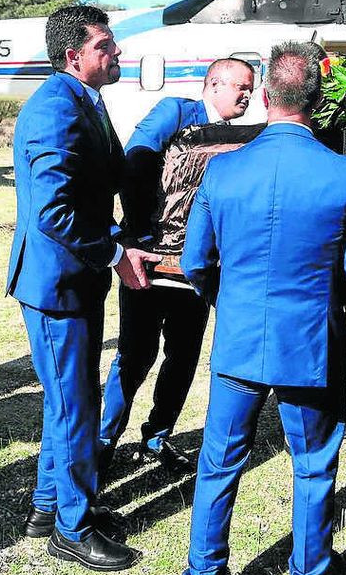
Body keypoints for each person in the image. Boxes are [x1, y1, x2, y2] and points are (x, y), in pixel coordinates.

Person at [179, 41, 346, 575]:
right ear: (317, 104)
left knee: (219, 464)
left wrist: (229, 300)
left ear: (265, 97)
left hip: (241, 336)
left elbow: (197, 261)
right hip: (309, 342)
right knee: (313, 464)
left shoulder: (223, 169)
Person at [6, 5, 157, 572]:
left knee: (71, 400)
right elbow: (54, 213)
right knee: (75, 406)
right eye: (106, 47)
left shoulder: (84, 101)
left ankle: (50, 505)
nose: (116, 55)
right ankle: (73, 526)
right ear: (74, 56)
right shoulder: (54, 110)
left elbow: (97, 190)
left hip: (77, 279)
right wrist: (116, 252)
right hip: (57, 285)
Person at [98, 57, 257, 472]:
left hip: (198, 268)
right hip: (150, 262)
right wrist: (138, 235)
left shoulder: (241, 137)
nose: (247, 95)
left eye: (252, 89)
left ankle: (157, 437)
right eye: (241, 86)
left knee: (183, 357)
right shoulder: (176, 111)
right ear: (214, 84)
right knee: (136, 356)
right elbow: (136, 160)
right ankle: (103, 442)